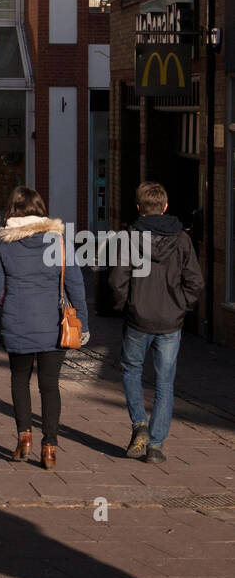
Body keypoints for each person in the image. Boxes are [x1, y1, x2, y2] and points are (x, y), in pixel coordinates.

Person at [0, 185, 89, 469]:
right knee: (50, 386)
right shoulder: (58, 241)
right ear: (41, 210)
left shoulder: (4, 244)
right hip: (53, 324)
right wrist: (84, 324)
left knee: (19, 381)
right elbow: (75, 284)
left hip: (16, 322)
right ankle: (50, 446)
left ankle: (24, 437)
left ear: (12, 211)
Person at [109, 181, 203, 463]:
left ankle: (140, 425)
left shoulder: (129, 237)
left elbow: (117, 281)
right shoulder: (182, 239)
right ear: (164, 207)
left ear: (139, 208)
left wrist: (123, 305)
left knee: (131, 370)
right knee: (165, 383)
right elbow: (195, 281)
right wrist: (182, 306)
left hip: (138, 318)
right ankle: (156, 445)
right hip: (171, 322)